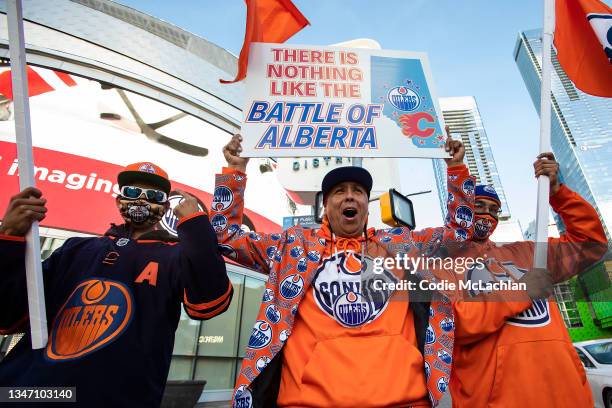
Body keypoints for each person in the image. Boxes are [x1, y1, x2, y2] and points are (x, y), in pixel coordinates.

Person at [212, 134, 475, 408]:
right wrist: (235, 170)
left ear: (366, 206)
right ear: (325, 206)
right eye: (339, 191)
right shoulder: (293, 246)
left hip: (404, 400)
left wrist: (456, 169)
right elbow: (225, 239)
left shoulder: (401, 245)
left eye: (358, 191)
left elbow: (459, 235)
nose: (350, 195)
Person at [0, 162, 233, 407]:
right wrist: (9, 236)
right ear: (118, 199)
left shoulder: (174, 257)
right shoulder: (74, 249)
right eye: (132, 192)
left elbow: (211, 301)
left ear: (166, 207)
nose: (141, 201)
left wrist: (195, 225)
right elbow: (8, 317)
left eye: (154, 196)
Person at [450, 153, 608, 407]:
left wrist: (557, 192)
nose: (488, 215)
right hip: (499, 400)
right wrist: (521, 291)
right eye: (479, 206)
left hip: (568, 395)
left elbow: (590, 245)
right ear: (464, 208)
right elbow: (454, 323)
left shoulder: (528, 253)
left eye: (494, 210)